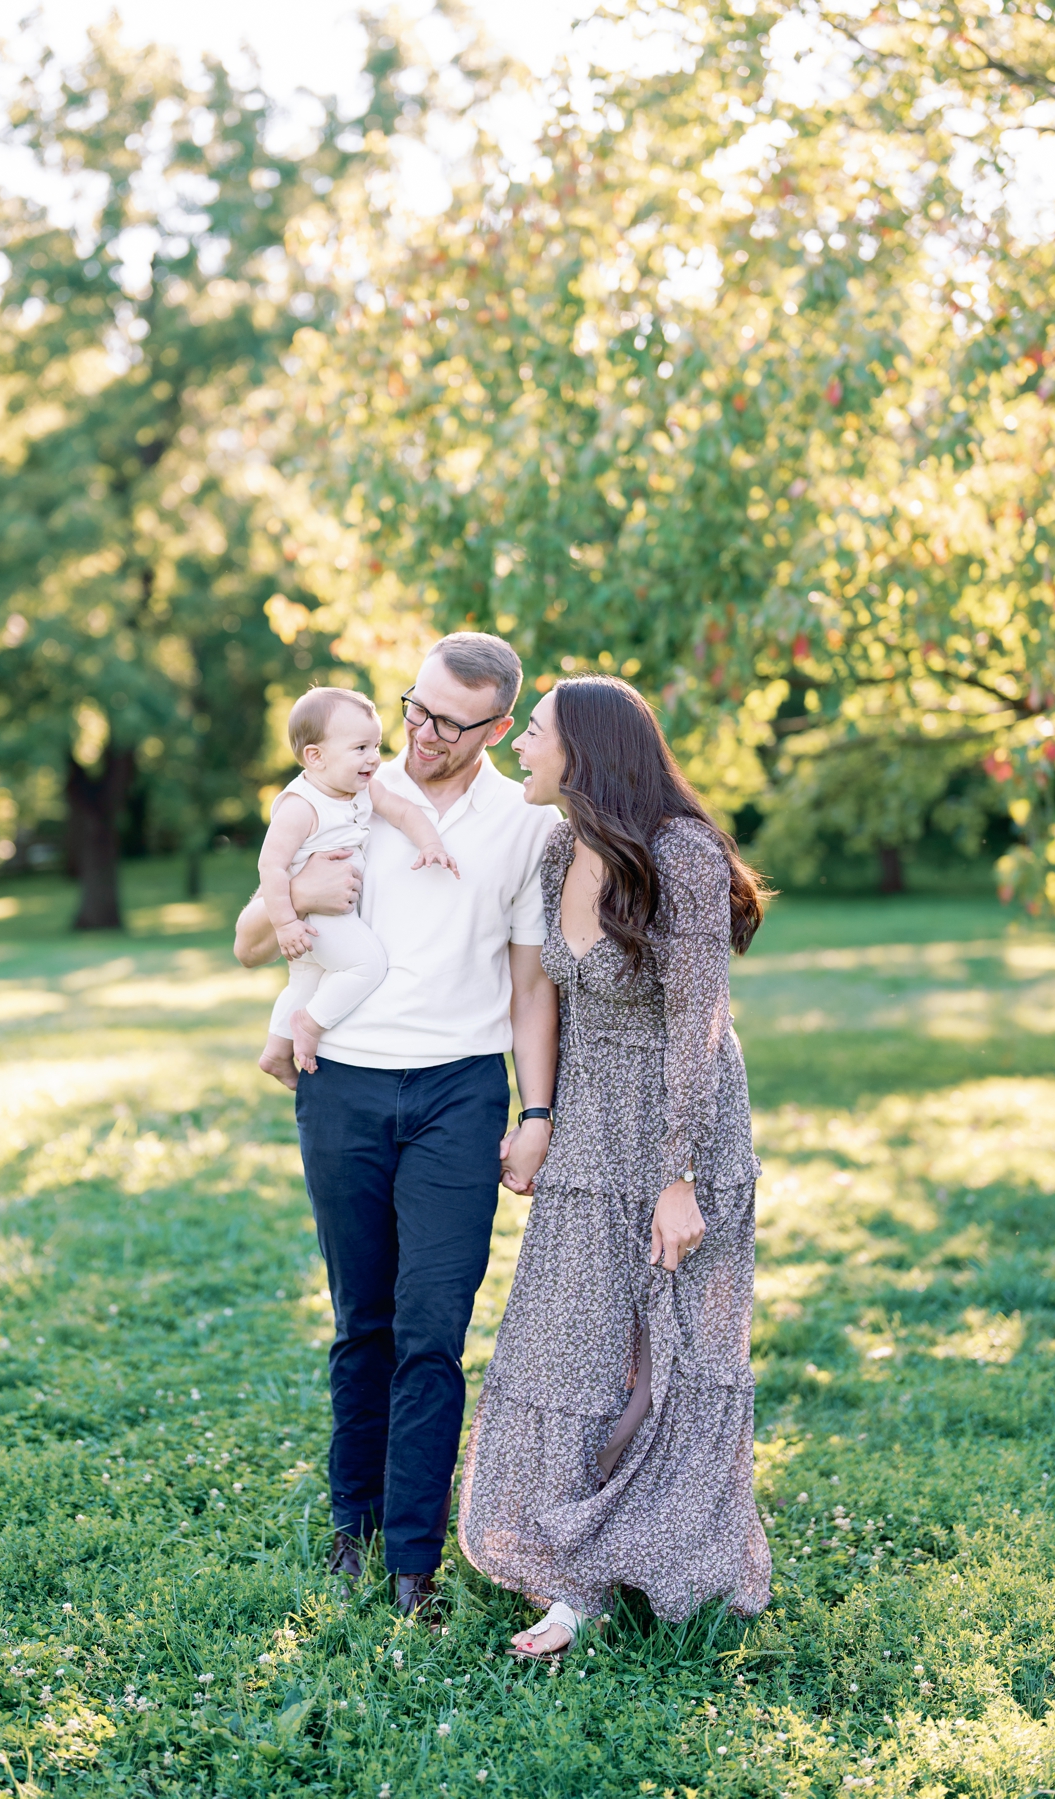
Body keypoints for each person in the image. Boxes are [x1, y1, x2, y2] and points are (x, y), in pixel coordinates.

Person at [234, 633, 560, 1615]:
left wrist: (537, 1108)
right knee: (361, 1320)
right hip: (342, 1087)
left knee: (432, 1328)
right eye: (412, 708)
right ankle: (355, 1522)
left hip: (460, 1093)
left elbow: (531, 982)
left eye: (447, 723)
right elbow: (249, 940)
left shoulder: (521, 824)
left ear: (497, 727)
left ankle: (416, 1557)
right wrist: (299, 894)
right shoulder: (346, 785)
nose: (418, 734)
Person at [457, 674, 772, 1656]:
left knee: (671, 1349)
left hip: (686, 1131)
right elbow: (552, 997)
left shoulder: (680, 854)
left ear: (583, 751)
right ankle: (573, 1573)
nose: (519, 748)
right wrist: (540, 1116)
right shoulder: (560, 850)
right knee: (573, 1347)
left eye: (534, 732)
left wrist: (676, 1175)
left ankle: (665, 1554)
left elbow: (697, 1021)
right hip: (590, 1133)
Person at [256, 686, 458, 1089]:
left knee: (306, 982)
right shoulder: (301, 805)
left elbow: (402, 811)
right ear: (315, 757)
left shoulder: (363, 789)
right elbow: (271, 866)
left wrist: (431, 843)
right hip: (317, 917)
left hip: (324, 918)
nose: (373, 758)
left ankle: (276, 1052)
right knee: (367, 965)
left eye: (376, 745)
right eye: (360, 748)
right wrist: (285, 924)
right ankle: (309, 1025)